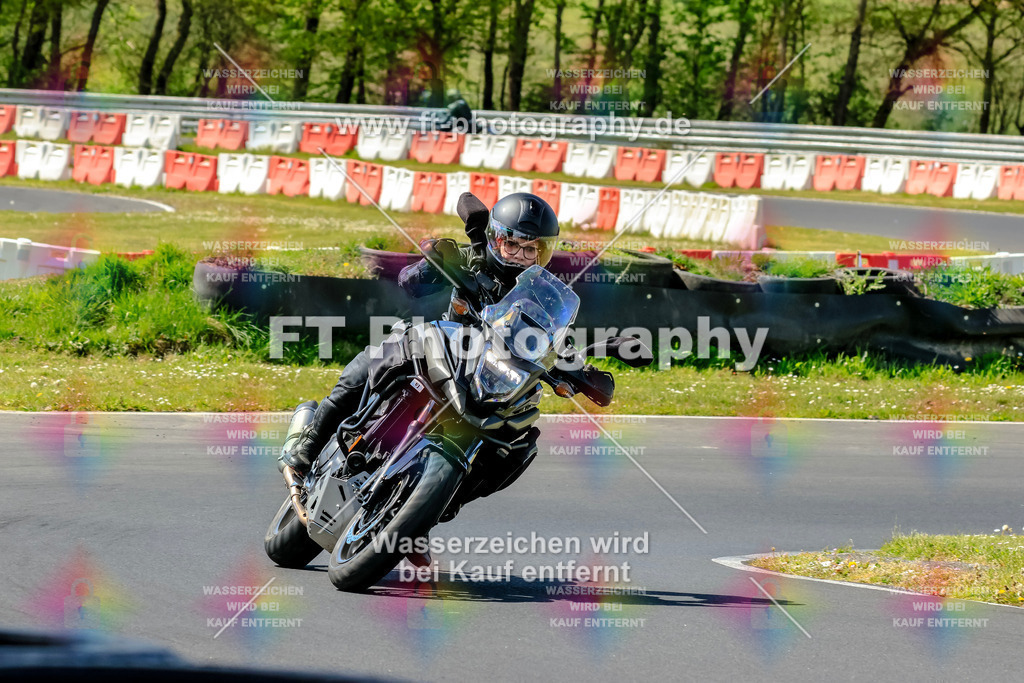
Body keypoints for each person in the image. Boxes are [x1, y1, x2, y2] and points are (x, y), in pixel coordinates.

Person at [279, 192, 560, 485]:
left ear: (542, 253)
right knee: (374, 361)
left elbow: (556, 338)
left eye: (530, 249)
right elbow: (408, 282)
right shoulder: (475, 258)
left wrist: (580, 372)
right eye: (513, 244)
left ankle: (446, 497)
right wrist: (433, 264)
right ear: (496, 239)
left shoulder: (542, 298)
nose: (520, 255)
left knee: (519, 442)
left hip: (490, 380)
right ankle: (310, 444)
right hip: (442, 352)